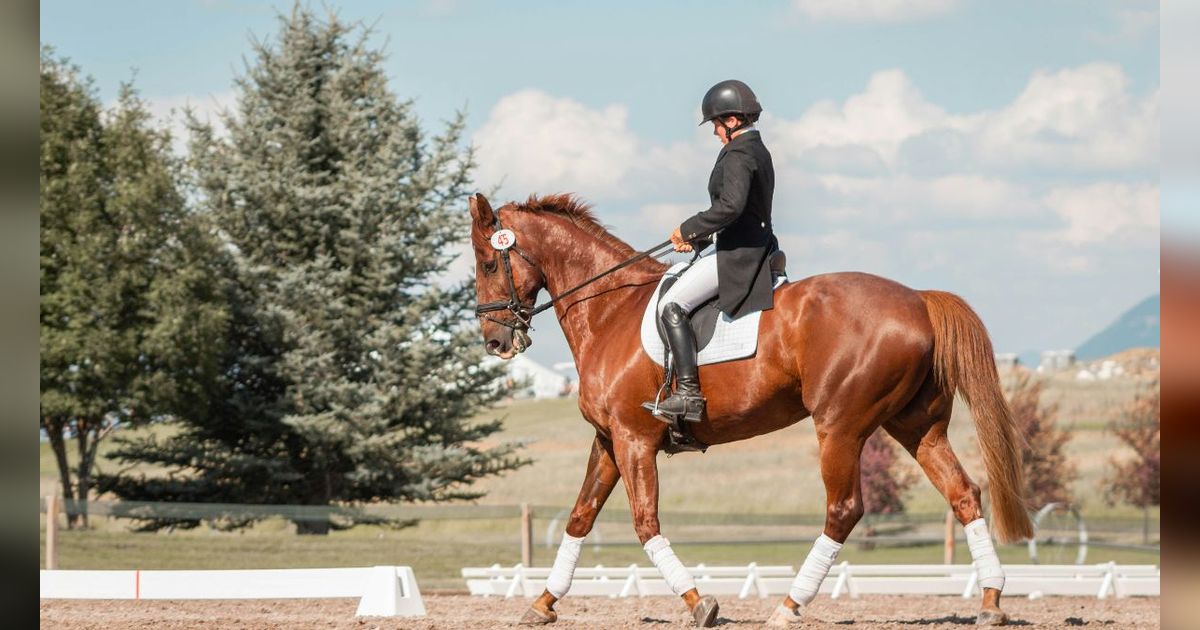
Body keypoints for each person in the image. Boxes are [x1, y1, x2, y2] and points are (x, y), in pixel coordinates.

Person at [643, 79, 778, 425]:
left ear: (732, 120)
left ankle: (688, 393)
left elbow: (731, 207)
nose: (715, 131)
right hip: (750, 244)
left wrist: (689, 228)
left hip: (739, 254)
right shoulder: (756, 149)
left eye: (717, 124)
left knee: (671, 304)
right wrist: (701, 239)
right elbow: (742, 210)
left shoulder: (738, 154)